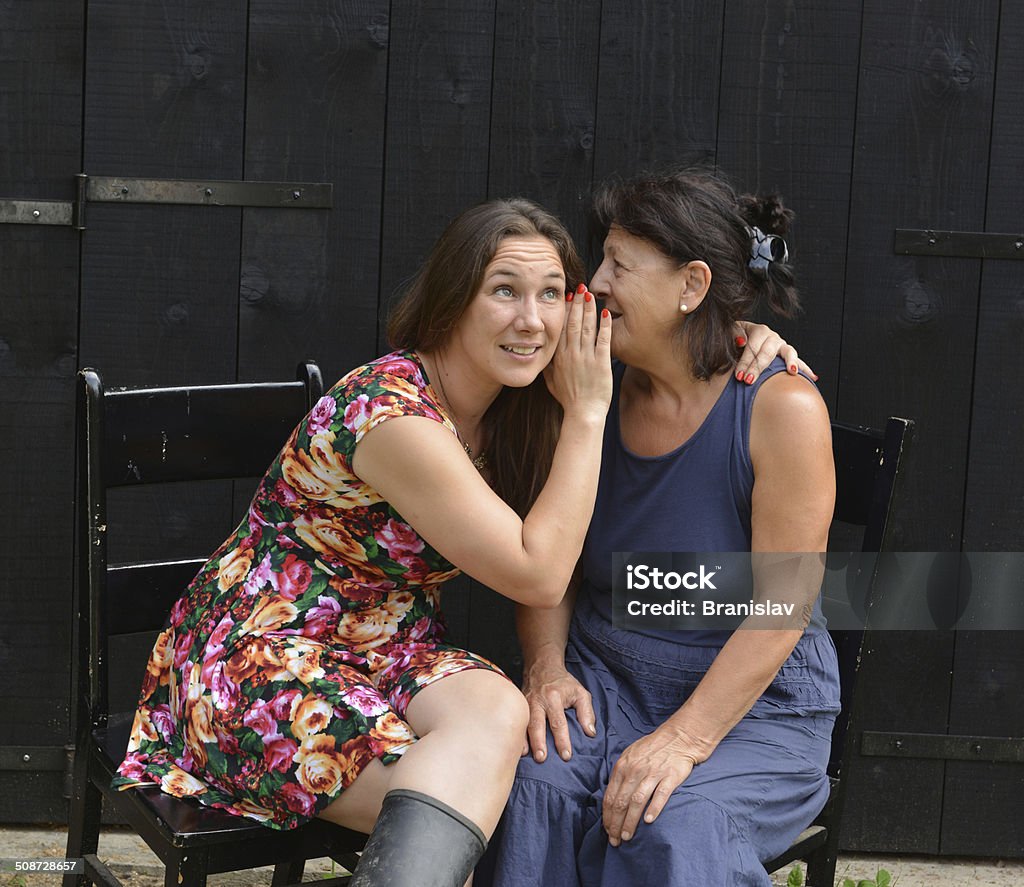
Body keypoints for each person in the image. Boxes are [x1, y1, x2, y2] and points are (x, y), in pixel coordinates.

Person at [113, 195, 804, 887]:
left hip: (390, 652)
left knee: (501, 715)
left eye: (551, 294)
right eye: (503, 291)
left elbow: (678, 344)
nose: (533, 319)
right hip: (261, 660)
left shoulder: (523, 397)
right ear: (451, 301)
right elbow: (539, 574)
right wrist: (589, 414)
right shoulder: (392, 414)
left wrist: (734, 328)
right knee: (486, 786)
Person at [475, 169, 840, 887]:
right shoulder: (583, 386)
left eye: (619, 264)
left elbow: (782, 606)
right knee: (529, 786)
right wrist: (547, 668)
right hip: (607, 674)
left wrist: (685, 737)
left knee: (669, 823)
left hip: (751, 704)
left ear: (692, 286)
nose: (595, 284)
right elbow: (546, 560)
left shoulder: (780, 409)